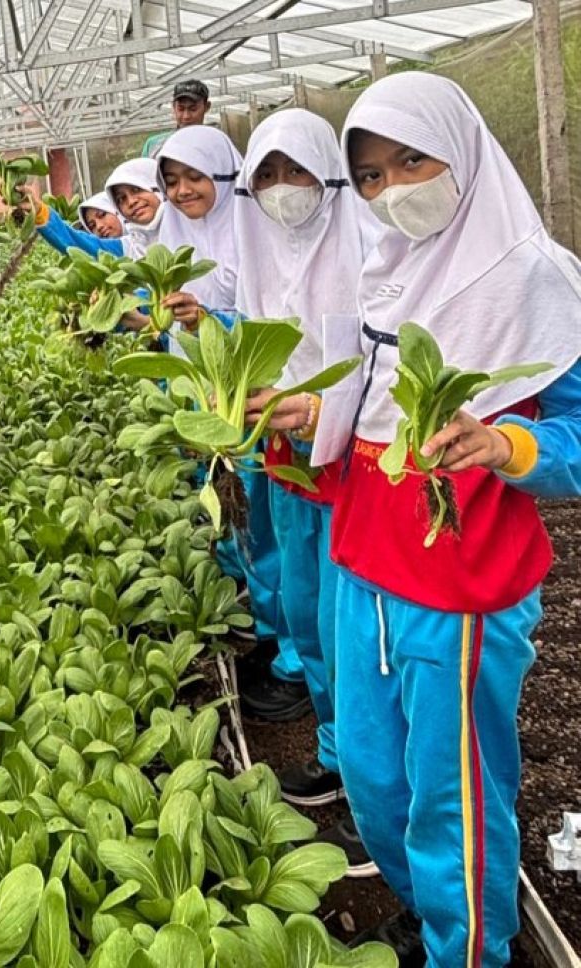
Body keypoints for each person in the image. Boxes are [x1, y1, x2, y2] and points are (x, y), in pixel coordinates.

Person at [329, 73, 581, 968]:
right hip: (366, 561)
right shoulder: (380, 271)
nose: (392, 190)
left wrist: (507, 446)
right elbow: (366, 414)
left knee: (454, 794)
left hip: (461, 583)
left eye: (412, 161)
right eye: (370, 175)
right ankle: (431, 911)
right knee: (373, 780)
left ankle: (467, 947)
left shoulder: (531, 275)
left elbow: (577, 433)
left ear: (463, 153)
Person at [233, 110, 380, 874]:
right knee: (306, 617)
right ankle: (332, 752)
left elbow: (381, 379)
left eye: (297, 171)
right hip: (292, 472)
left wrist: (322, 411)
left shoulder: (367, 249)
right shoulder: (258, 252)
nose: (283, 189)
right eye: (267, 174)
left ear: (329, 173)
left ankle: (370, 786)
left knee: (352, 640)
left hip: (354, 481)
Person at [156, 124, 303, 719]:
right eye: (172, 181)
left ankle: (292, 656)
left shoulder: (256, 234)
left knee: (273, 531)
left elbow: (275, 326)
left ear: (226, 176)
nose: (183, 191)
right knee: (245, 528)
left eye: (195, 176)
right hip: (212, 405)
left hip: (260, 409)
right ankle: (270, 634)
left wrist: (209, 319)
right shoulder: (176, 237)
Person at [104, 157, 163, 253]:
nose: (131, 202)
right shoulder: (131, 248)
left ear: (158, 187)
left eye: (136, 190)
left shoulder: (187, 225)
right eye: (121, 198)